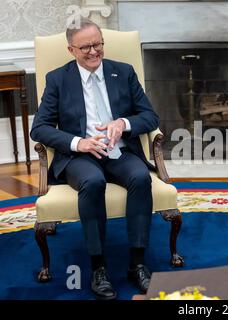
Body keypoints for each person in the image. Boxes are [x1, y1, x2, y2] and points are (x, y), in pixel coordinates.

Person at [30, 19, 160, 300]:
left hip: (118, 151)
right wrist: (79, 143)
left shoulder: (123, 72)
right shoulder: (58, 79)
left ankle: (137, 264)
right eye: (85, 47)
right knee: (93, 181)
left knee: (140, 177)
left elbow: (150, 116)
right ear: (71, 49)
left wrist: (122, 124)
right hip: (79, 156)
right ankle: (98, 267)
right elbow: (38, 128)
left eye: (97, 44)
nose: (93, 51)